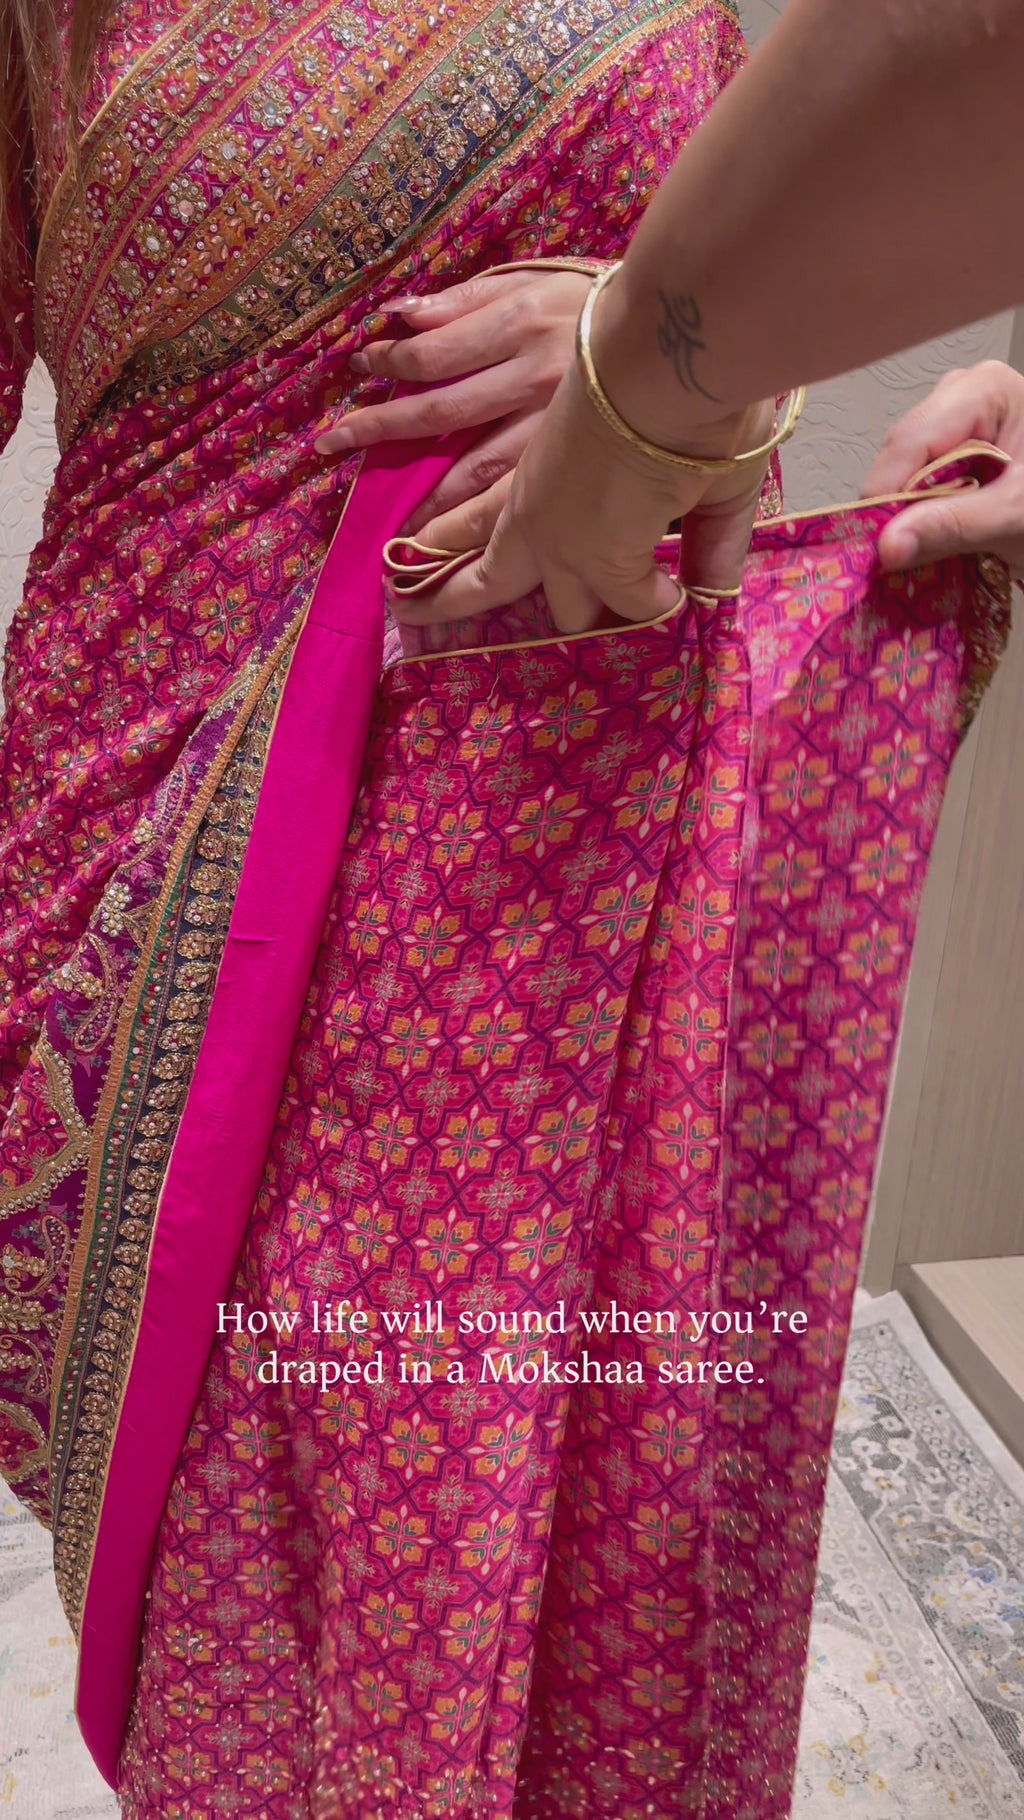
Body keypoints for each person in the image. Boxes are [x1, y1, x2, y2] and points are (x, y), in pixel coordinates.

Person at [0, 11, 1017, 1820]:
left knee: (507, 1541)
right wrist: (665, 364)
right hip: (135, 876)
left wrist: (676, 354)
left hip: (561, 851)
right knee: (222, 1612)